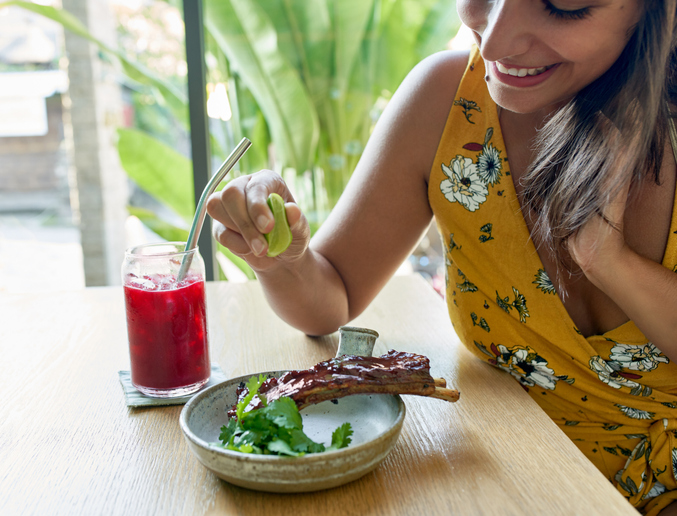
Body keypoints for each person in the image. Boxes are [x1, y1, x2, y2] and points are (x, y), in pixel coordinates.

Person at [207, 1, 677, 514]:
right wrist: (285, 260)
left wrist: (611, 263)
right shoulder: (447, 101)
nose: (494, 40)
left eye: (562, 6)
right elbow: (331, 295)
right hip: (526, 479)